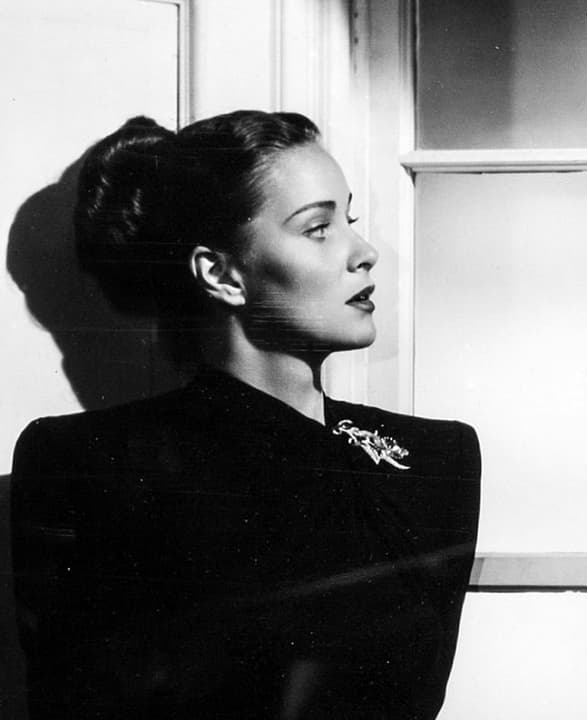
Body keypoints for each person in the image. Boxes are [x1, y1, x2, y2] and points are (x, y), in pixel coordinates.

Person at [10, 111, 481, 719]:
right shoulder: (90, 464)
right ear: (222, 274)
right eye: (318, 228)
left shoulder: (432, 460)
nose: (364, 253)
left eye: (349, 220)